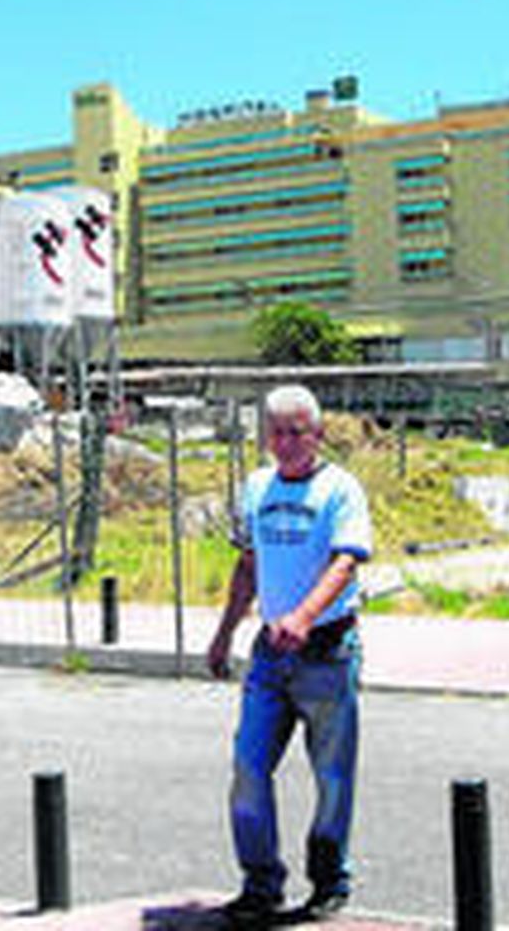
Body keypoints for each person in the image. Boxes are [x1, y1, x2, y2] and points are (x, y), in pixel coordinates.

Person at [206, 385, 373, 926]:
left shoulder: (340, 490)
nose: (286, 442)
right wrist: (225, 632)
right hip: (269, 655)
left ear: (318, 435)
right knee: (249, 767)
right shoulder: (256, 487)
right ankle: (260, 882)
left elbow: (345, 563)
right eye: (276, 432)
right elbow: (248, 566)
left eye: (297, 431)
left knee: (332, 775)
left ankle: (329, 881)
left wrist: (304, 617)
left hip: (326, 649)